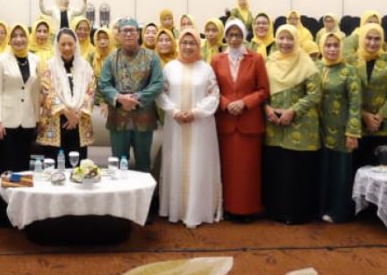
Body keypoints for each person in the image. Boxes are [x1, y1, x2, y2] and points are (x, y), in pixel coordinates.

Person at [158, 28, 222, 228]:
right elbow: (161, 93)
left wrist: (196, 112)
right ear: (179, 44)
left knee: (198, 164)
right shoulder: (169, 68)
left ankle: (197, 210)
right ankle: (175, 210)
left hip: (200, 126)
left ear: (198, 45)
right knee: (175, 161)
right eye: (184, 42)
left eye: (192, 43)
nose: (187, 46)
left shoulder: (206, 69)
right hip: (175, 124)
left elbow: (214, 95)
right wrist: (174, 111)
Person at [210, 19, 269, 220]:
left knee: (248, 170)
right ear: (225, 37)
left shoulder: (256, 59)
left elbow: (263, 90)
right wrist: (226, 103)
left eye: (238, 35)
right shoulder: (216, 60)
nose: (234, 39)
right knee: (229, 170)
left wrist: (245, 103)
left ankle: (249, 209)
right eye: (230, 35)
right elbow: (211, 90)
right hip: (226, 123)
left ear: (244, 36)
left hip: (249, 123)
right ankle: (229, 208)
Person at [263, 25, 321, 224]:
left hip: (300, 126)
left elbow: (315, 94)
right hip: (274, 125)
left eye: (289, 39)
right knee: (277, 168)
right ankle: (276, 211)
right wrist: (267, 108)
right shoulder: (269, 62)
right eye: (281, 38)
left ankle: (297, 214)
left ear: (296, 40)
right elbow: (261, 90)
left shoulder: (307, 63)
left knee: (297, 170)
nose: (285, 43)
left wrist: (292, 111)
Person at [97, 18, 163, 173]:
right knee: (119, 165)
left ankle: (144, 197)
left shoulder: (152, 57)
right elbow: (103, 84)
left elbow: (158, 84)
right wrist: (120, 98)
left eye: (131, 30)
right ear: (118, 35)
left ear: (138, 34)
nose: (128, 34)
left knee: (143, 164)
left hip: (144, 117)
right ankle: (120, 197)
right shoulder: (111, 59)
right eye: (124, 31)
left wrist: (136, 98)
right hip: (118, 118)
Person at [317, 31, 361, 223]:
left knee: (340, 172)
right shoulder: (315, 68)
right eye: (328, 45)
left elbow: (355, 103)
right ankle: (320, 208)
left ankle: (338, 211)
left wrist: (352, 132)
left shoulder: (349, 70)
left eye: (336, 45)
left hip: (342, 131)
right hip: (318, 129)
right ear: (321, 47)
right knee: (322, 169)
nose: (332, 49)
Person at [36, 28, 95, 161]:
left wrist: (77, 114)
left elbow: (91, 91)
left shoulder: (85, 67)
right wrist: (65, 111)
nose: (67, 48)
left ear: (76, 44)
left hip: (79, 122)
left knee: (78, 169)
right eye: (63, 44)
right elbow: (47, 91)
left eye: (70, 44)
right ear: (57, 46)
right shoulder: (49, 66)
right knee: (54, 168)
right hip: (55, 122)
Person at [0, 23, 40, 177]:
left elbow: (35, 92)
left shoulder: (35, 59)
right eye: (15, 36)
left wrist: (37, 119)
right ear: (9, 40)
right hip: (6, 121)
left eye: (22, 35)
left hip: (27, 120)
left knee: (22, 166)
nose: (19, 39)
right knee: (4, 166)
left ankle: (20, 200)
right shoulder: (0, 60)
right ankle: (1, 201)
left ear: (28, 37)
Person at [353, 22, 387, 170]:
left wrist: (380, 116)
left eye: (377, 39)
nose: (372, 43)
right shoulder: (352, 61)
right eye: (368, 38)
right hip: (359, 127)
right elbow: (347, 94)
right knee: (360, 171)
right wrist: (365, 115)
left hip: (386, 127)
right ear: (362, 38)